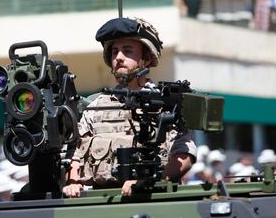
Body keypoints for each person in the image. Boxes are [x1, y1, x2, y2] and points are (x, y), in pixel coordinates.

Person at [62, 17, 197, 197]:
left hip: (152, 198)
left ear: (147, 59)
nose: (118, 57)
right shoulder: (96, 107)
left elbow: (184, 155)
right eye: (115, 52)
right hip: (101, 200)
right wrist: (73, 181)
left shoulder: (165, 104)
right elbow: (75, 152)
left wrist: (151, 182)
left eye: (127, 51)